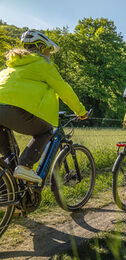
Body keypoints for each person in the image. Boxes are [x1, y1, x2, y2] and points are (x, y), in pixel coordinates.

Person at [0, 30, 88, 185]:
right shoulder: (42, 65)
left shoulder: (9, 68)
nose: (49, 54)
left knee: (10, 160)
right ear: (41, 48)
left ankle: (12, 199)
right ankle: (25, 166)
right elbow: (64, 89)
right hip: (12, 110)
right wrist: (80, 111)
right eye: (48, 50)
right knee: (46, 131)